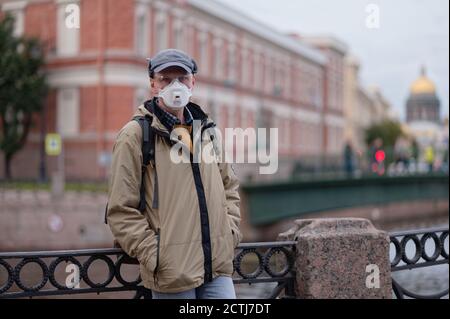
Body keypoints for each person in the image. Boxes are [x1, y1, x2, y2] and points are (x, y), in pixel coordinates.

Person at [106, 49, 242, 299]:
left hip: (217, 266)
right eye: (166, 79)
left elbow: (229, 187)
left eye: (182, 78)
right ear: (153, 85)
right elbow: (120, 209)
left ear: (193, 82)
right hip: (172, 273)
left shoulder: (209, 132)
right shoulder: (135, 136)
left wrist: (229, 233)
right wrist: (155, 254)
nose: (175, 86)